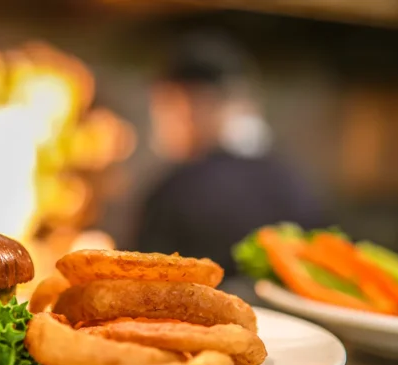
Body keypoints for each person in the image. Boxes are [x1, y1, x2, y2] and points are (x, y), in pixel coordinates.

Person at [136, 32, 325, 276]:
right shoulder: (298, 183)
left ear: (183, 104)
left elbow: (141, 282)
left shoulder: (177, 190)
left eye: (161, 107)